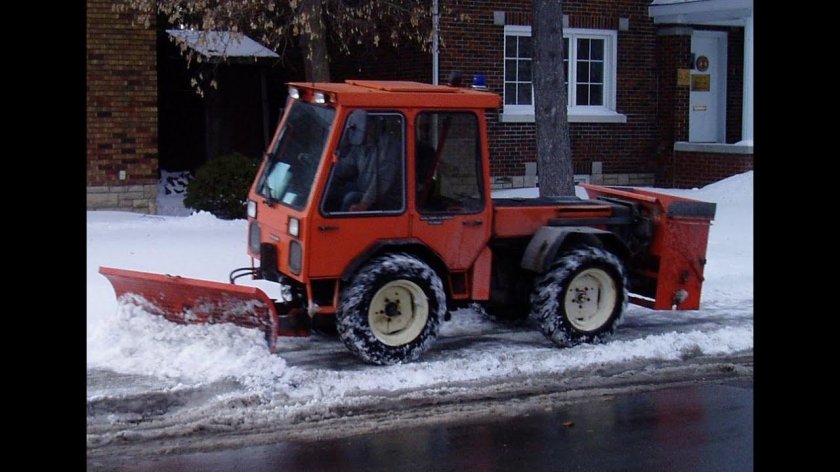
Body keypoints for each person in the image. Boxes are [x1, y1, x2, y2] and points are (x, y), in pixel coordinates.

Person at [333, 111, 401, 212]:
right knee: (330, 193)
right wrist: (332, 178)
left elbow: (382, 181)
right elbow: (348, 167)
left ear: (373, 125)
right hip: (363, 188)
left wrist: (364, 204)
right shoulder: (362, 144)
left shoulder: (388, 147)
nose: (357, 129)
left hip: (387, 197)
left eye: (361, 125)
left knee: (350, 198)